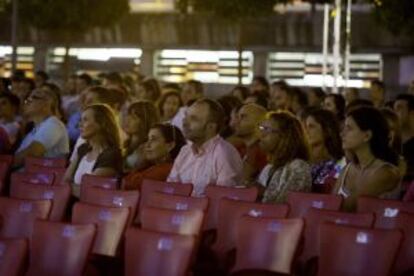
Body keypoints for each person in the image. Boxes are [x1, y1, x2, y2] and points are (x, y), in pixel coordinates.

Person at [167, 98, 243, 196]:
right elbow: (171, 189)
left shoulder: (224, 153)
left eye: (193, 119)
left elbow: (222, 199)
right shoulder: (185, 151)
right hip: (181, 208)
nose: (185, 123)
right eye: (186, 116)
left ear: (211, 127)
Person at [334, 107, 401, 211]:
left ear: (367, 135)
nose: (342, 134)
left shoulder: (385, 172)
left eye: (349, 128)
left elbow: (347, 207)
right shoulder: (348, 168)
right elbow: (331, 205)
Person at [64, 104, 123, 198]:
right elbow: (65, 180)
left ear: (101, 124)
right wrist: (73, 188)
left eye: (85, 120)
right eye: (80, 120)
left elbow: (88, 192)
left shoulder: (111, 155)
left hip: (94, 208)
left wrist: (69, 188)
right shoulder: (83, 148)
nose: (79, 124)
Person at [257, 111, 311, 203]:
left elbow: (285, 204)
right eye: (261, 128)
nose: (261, 135)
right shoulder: (269, 168)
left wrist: (262, 192)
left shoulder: (298, 167)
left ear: (284, 136)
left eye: (267, 129)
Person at [14, 87, 69, 168]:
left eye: (33, 98)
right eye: (27, 99)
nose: (27, 101)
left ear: (47, 103)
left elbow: (31, 154)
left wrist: (7, 164)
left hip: (40, 178)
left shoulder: (53, 125)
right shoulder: (36, 127)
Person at [123, 124, 186, 190]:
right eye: (147, 139)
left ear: (170, 146)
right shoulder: (152, 167)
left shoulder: (167, 169)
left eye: (153, 140)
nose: (147, 145)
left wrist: (140, 162)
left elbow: (130, 185)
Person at [304, 108, 345, 193]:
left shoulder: (339, 164)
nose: (306, 131)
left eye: (311, 126)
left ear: (327, 130)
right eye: (305, 127)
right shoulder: (302, 162)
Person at [231, 103, 268, 184]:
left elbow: (239, 180)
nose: (236, 122)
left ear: (259, 123)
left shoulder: (261, 151)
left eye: (243, 117)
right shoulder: (241, 148)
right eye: (237, 117)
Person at [123, 101, 160, 171]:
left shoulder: (148, 146)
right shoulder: (126, 142)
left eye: (134, 118)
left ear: (145, 121)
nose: (127, 120)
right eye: (128, 116)